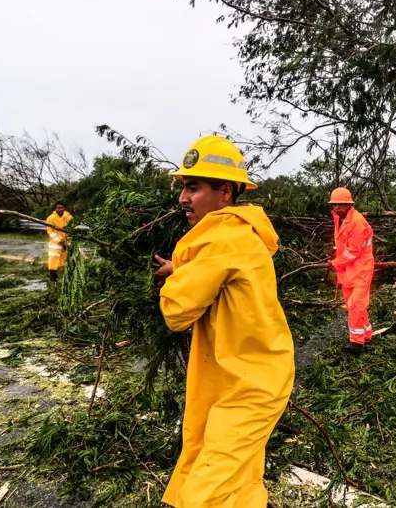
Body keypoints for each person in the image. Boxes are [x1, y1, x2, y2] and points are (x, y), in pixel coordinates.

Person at [153, 135, 295, 508]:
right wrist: (182, 266)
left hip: (250, 388)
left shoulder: (221, 241)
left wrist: (173, 277)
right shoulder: (238, 234)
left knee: (207, 492)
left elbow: (176, 313)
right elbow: (218, 270)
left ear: (226, 192)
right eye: (184, 187)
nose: (183, 198)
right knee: (240, 484)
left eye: (193, 187)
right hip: (247, 377)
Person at [329, 187, 375, 356]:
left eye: (340, 205)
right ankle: (366, 334)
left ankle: (356, 343)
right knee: (353, 305)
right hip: (347, 270)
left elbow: (353, 251)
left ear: (349, 204)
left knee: (356, 304)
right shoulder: (339, 219)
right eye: (334, 205)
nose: (337, 208)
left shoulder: (357, 222)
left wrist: (335, 263)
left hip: (361, 269)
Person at [46, 201, 73, 282]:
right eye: (59, 208)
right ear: (55, 209)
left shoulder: (69, 217)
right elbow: (50, 231)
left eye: (62, 207)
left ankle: (73, 276)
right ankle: (53, 278)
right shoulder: (50, 218)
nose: (61, 209)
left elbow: (72, 228)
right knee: (53, 259)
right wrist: (59, 240)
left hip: (67, 240)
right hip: (55, 242)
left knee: (72, 257)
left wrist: (67, 239)